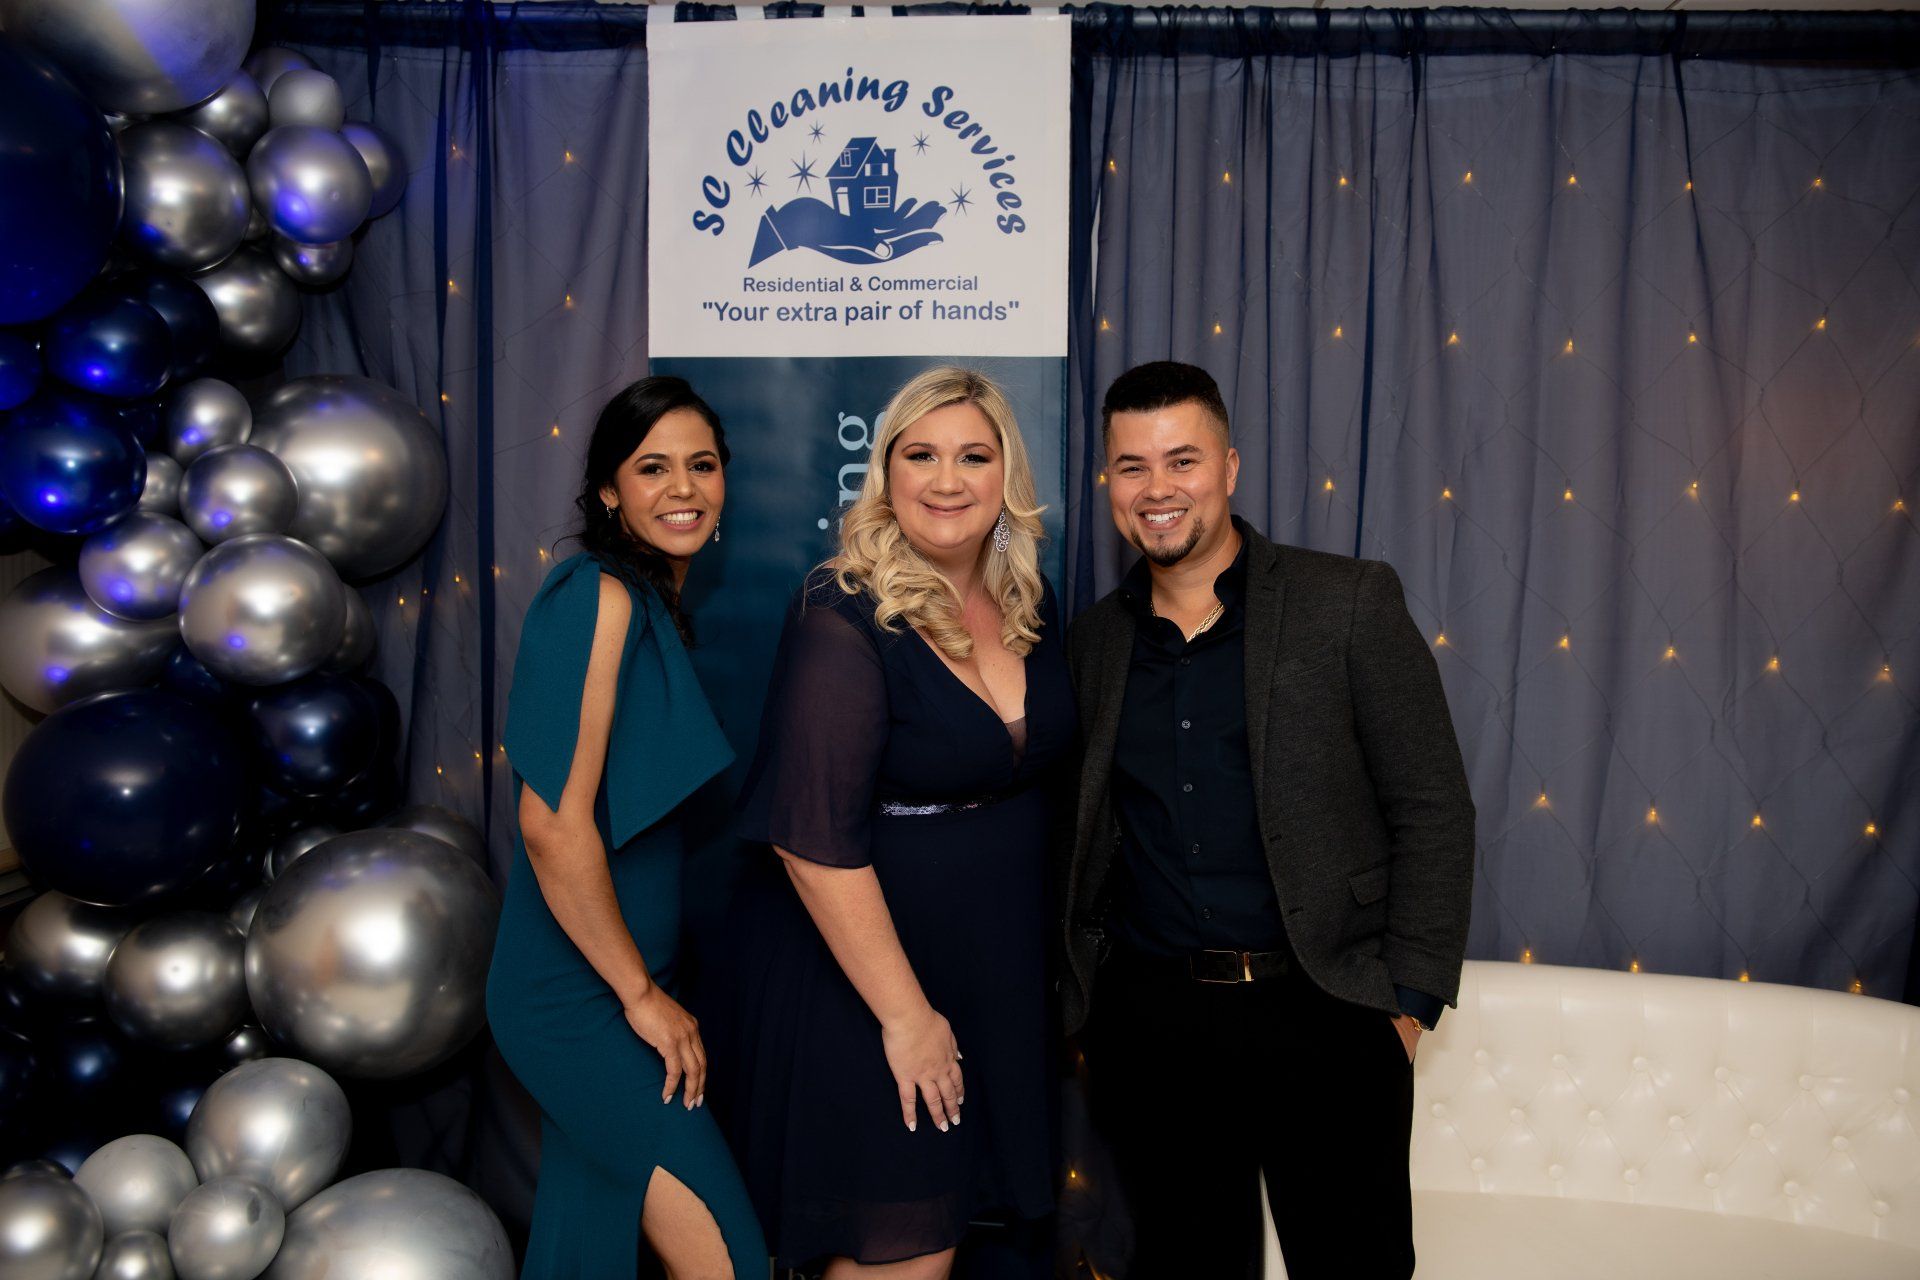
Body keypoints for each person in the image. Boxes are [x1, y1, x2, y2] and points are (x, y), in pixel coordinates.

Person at [1057, 362, 1476, 1280]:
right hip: (1154, 1025)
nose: (1157, 490)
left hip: (1325, 1008)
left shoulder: (1349, 602)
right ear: (1109, 484)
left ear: (1231, 466)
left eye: (1182, 460)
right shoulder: (1092, 645)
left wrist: (1402, 1007)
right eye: (1131, 466)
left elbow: (1433, 807)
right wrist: (1095, 1006)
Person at [706, 367, 1070, 1278]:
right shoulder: (843, 610)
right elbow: (809, 838)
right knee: (902, 1248)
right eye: (922, 456)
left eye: (973, 456)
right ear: (887, 474)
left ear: (1006, 477)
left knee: (955, 1229)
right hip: (872, 981)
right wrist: (906, 1017)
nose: (947, 480)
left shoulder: (1029, 604)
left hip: (993, 972)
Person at [485, 376, 767, 1279]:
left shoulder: (652, 609)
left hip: (620, 985)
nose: (683, 488)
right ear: (610, 491)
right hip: (577, 1000)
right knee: (728, 1263)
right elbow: (551, 825)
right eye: (653, 468)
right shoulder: (595, 596)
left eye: (702, 465)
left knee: (583, 1254)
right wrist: (640, 996)